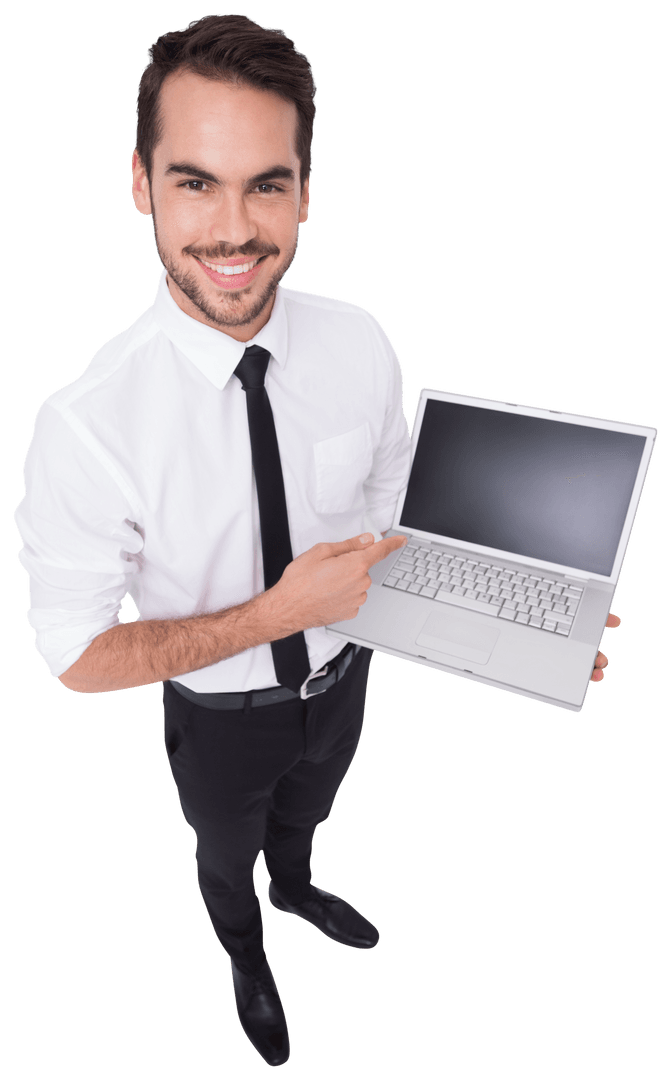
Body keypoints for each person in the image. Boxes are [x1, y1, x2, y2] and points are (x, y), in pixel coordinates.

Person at [14, 13, 619, 1069]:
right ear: (141, 184)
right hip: (217, 718)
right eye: (195, 181)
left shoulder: (357, 340)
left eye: (267, 183)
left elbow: (389, 511)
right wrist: (269, 617)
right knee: (222, 851)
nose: (234, 229)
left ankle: (296, 887)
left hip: (347, 679)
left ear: (305, 191)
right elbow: (73, 655)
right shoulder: (86, 423)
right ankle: (245, 954)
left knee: (308, 814)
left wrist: (497, 607)